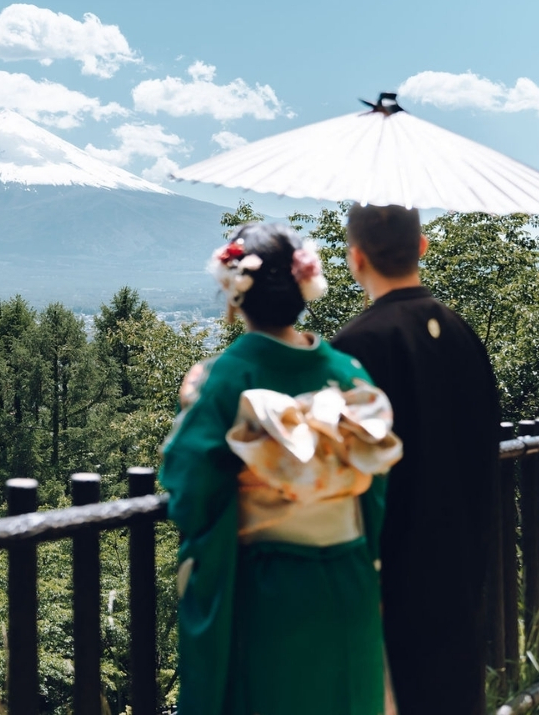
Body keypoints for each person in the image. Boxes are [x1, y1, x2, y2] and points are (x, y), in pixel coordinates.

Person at [160, 222, 402, 715]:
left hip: (270, 587)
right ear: (304, 288)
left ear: (234, 296)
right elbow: (375, 487)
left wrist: (194, 404)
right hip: (350, 572)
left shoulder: (228, 375)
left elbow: (189, 488)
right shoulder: (347, 373)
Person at [331, 204, 500, 715]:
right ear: (422, 247)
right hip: (466, 552)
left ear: (355, 258)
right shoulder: (461, 332)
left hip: (393, 567)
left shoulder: (356, 347)